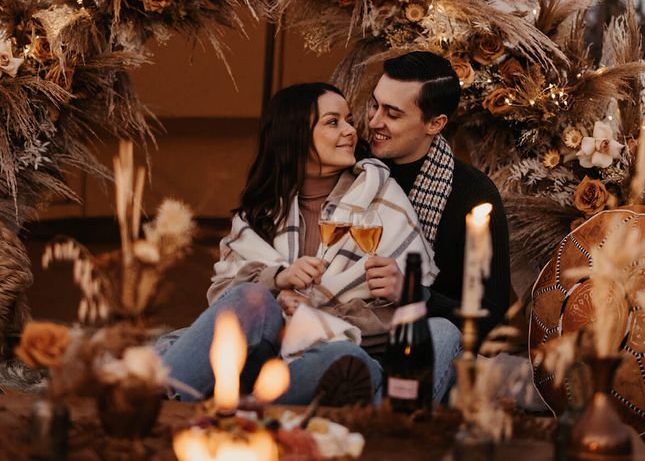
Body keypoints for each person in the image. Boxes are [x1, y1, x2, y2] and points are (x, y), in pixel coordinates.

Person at [157, 82, 439, 404]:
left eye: (348, 120)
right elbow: (224, 301)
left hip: (326, 355)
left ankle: (244, 409)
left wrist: (315, 319)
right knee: (251, 298)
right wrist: (276, 279)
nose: (350, 131)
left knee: (346, 361)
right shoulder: (261, 211)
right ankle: (157, 398)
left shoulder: (382, 200)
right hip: (255, 352)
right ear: (296, 135)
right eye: (333, 122)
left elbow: (399, 316)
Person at [365, 51, 511, 341]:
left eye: (392, 114)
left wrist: (415, 294)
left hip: (425, 342)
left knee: (442, 333)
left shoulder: (473, 195)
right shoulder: (358, 170)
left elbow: (489, 317)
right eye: (374, 105)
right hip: (351, 324)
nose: (374, 122)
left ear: (435, 124)